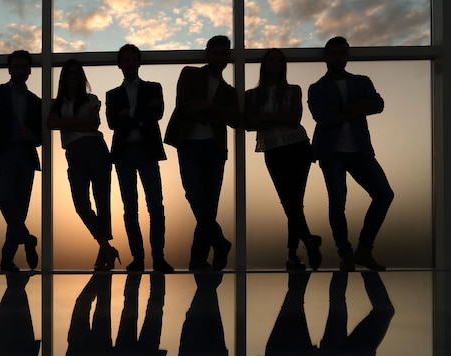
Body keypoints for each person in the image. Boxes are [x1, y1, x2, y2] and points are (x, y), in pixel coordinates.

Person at [308, 36, 393, 272]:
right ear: (326, 57)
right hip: (331, 152)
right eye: (334, 53)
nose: (338, 57)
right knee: (337, 202)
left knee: (384, 194)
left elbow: (378, 104)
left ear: (348, 55)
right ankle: (345, 253)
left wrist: (343, 109)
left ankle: (364, 250)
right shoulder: (317, 88)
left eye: (342, 53)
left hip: (360, 150)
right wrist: (357, 109)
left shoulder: (362, 82)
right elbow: (323, 117)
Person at [164, 35, 242, 271]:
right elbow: (184, 105)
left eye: (223, 53)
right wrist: (216, 113)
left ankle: (197, 260)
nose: (219, 57)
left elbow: (236, 120)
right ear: (207, 55)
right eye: (215, 53)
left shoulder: (229, 91)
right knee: (194, 196)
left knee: (208, 206)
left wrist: (210, 106)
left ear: (228, 56)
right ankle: (219, 243)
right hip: (189, 144)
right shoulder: (190, 74)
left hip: (214, 149)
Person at [244, 48, 322, 272]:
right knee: (290, 202)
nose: (275, 62)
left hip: (298, 147)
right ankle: (306, 241)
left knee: (293, 202)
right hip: (273, 149)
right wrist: (277, 119)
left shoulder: (293, 90)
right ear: (264, 64)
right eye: (271, 59)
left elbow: (294, 119)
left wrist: (265, 118)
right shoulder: (252, 95)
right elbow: (249, 123)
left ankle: (293, 254)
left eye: (280, 59)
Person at [106, 44, 174, 273]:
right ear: (120, 64)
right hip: (125, 154)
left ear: (139, 62)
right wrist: (142, 111)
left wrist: (130, 113)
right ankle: (138, 257)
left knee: (155, 205)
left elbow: (158, 114)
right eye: (126, 60)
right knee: (130, 207)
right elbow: (113, 123)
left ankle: (158, 257)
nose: (130, 63)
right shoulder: (112, 95)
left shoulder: (154, 88)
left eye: (133, 59)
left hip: (147, 152)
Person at [48, 58, 120, 271]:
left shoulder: (91, 98)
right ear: (64, 77)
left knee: (102, 200)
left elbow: (93, 124)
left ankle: (104, 252)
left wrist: (67, 124)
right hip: (74, 152)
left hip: (96, 148)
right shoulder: (57, 104)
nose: (72, 76)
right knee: (81, 203)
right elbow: (51, 123)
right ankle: (107, 247)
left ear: (81, 77)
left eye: (76, 73)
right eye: (69, 73)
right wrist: (78, 123)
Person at [0, 50, 41, 272]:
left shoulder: (35, 101)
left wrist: (32, 136)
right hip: (3, 154)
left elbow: (41, 136)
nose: (20, 70)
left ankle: (7, 259)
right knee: (3, 199)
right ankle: (27, 238)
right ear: (10, 69)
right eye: (16, 66)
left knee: (19, 208)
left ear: (29, 70)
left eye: (24, 67)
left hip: (26, 156)